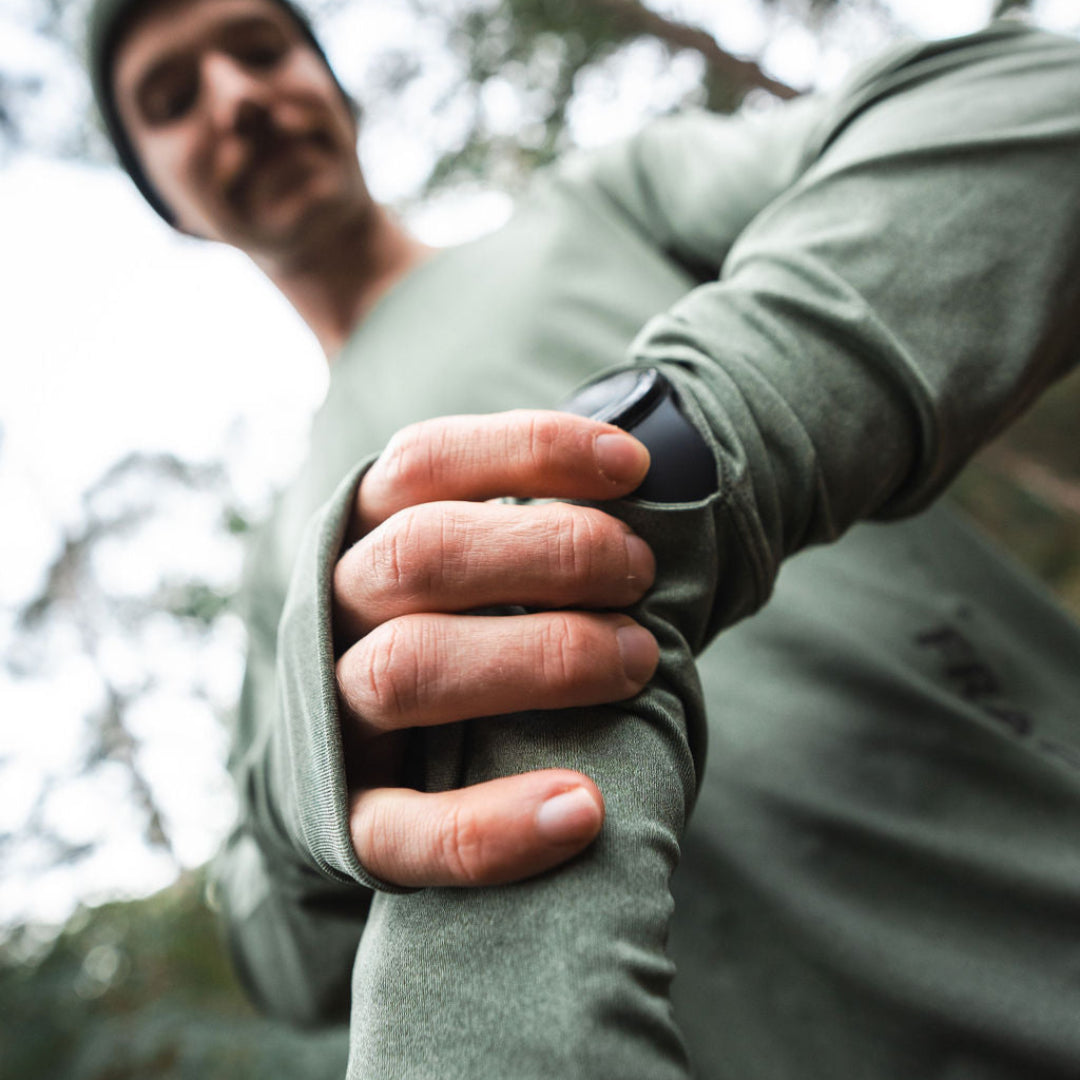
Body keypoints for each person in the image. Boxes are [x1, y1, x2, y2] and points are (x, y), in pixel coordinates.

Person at [86, 0, 1080, 1075]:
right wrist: (318, 768)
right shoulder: (284, 555)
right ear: (165, 199)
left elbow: (1038, 101)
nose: (236, 98)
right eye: (173, 99)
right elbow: (275, 950)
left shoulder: (596, 204)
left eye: (261, 48)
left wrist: (710, 442)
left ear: (336, 86)